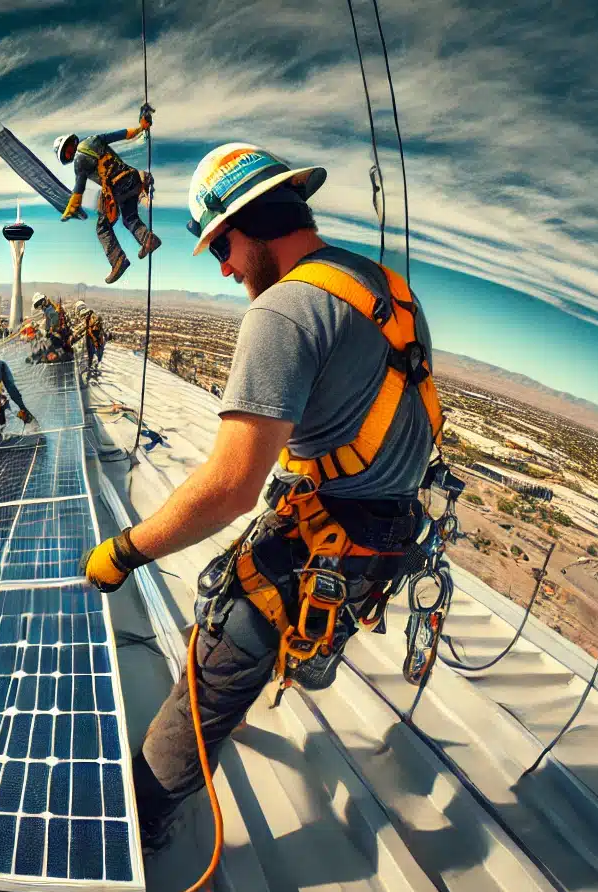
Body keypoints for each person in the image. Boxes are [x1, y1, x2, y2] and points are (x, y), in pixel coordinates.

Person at [79, 143, 445, 851]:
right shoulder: (381, 286)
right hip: (384, 531)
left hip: (331, 539)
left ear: (251, 223)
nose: (223, 268)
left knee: (211, 671)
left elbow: (229, 488)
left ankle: (139, 821)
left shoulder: (284, 310)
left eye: (222, 246)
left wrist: (124, 552)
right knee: (240, 601)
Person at [55, 104, 161, 284]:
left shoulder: (79, 162)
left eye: (67, 153)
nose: (70, 155)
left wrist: (70, 209)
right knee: (130, 218)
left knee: (102, 228)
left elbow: (79, 188)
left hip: (117, 187)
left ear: (68, 151)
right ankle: (148, 239)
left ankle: (118, 260)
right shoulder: (93, 140)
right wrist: (142, 127)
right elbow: (122, 134)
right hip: (132, 178)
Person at [27, 294, 74, 364]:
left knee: (50, 341)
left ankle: (59, 356)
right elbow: (48, 323)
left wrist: (47, 331)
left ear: (43, 300)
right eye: (38, 304)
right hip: (54, 333)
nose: (40, 305)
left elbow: (55, 322)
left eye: (40, 303)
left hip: (59, 334)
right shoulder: (47, 309)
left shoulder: (51, 309)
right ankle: (36, 356)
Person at [76, 300, 107, 366]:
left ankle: (94, 363)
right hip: (94, 337)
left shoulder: (90, 318)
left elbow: (87, 327)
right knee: (94, 352)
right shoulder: (91, 316)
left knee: (94, 352)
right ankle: (94, 362)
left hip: (94, 337)